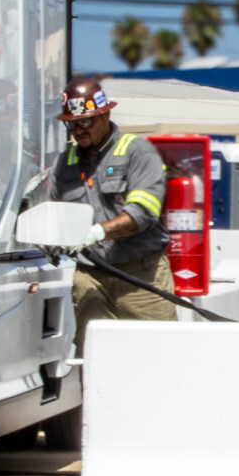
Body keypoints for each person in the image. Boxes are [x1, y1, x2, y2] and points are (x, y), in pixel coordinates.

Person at [51, 75, 179, 341]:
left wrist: (97, 232)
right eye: (72, 125)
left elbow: (143, 213)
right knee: (95, 358)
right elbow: (51, 213)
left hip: (141, 278)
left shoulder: (137, 153)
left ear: (105, 115)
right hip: (89, 279)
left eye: (85, 121)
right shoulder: (64, 164)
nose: (78, 131)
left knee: (157, 355)